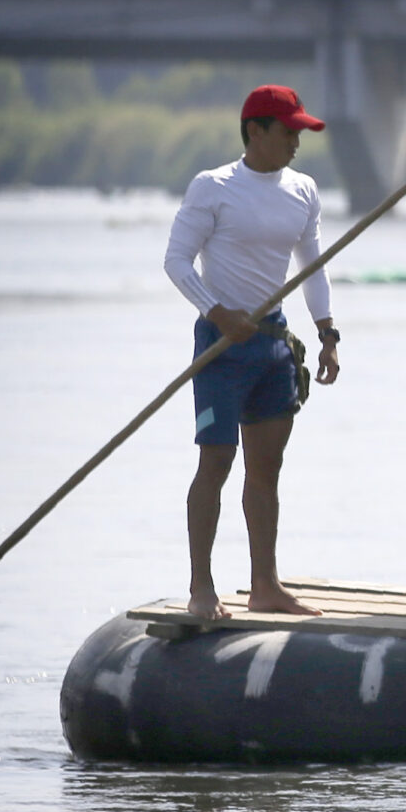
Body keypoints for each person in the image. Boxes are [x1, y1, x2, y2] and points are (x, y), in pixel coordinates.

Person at [162, 84, 342, 620]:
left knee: (267, 468)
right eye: (288, 132)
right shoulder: (213, 187)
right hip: (220, 346)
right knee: (215, 461)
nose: (296, 142)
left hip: (273, 344)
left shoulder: (304, 190)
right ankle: (202, 589)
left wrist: (328, 332)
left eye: (300, 133)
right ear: (255, 132)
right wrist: (218, 314)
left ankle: (265, 585)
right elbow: (176, 262)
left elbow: (313, 265)